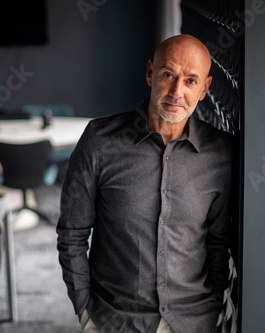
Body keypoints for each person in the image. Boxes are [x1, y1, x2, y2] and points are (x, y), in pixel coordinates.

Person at [57, 34, 233, 333]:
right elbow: (72, 232)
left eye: (191, 81)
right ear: (150, 72)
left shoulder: (221, 154)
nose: (177, 91)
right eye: (168, 74)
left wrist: (212, 305)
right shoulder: (99, 140)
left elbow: (218, 242)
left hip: (194, 321)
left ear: (204, 89)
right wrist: (83, 307)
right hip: (114, 319)